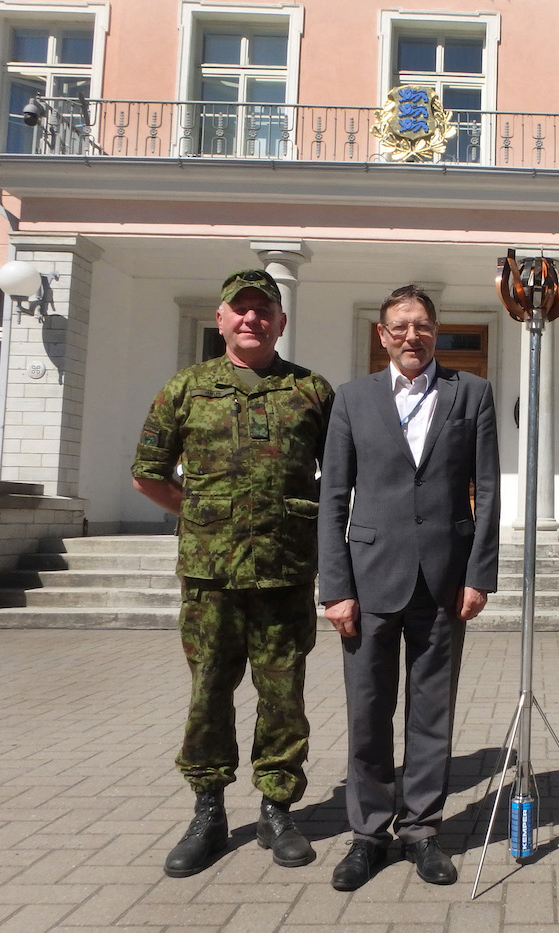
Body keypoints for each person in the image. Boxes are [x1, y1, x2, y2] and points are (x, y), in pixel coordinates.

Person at [131, 268, 333, 877]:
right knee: (209, 696)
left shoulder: (311, 392)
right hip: (210, 576)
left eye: (263, 310)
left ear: (281, 321)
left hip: (283, 574)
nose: (252, 319)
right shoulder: (186, 389)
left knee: (283, 697)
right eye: (239, 310)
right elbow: (148, 472)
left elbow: (342, 476)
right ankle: (208, 811)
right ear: (220, 319)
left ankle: (277, 808)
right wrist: (199, 514)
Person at [317, 284, 501, 892]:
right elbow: (332, 499)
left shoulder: (470, 392)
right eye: (399, 326)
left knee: (432, 714)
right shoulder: (352, 399)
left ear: (436, 331)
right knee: (369, 711)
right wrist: (335, 587)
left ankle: (421, 830)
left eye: (422, 325)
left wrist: (479, 575)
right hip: (368, 583)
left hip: (443, 582)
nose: (411, 336)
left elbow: (487, 489)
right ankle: (368, 833)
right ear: (382, 334)